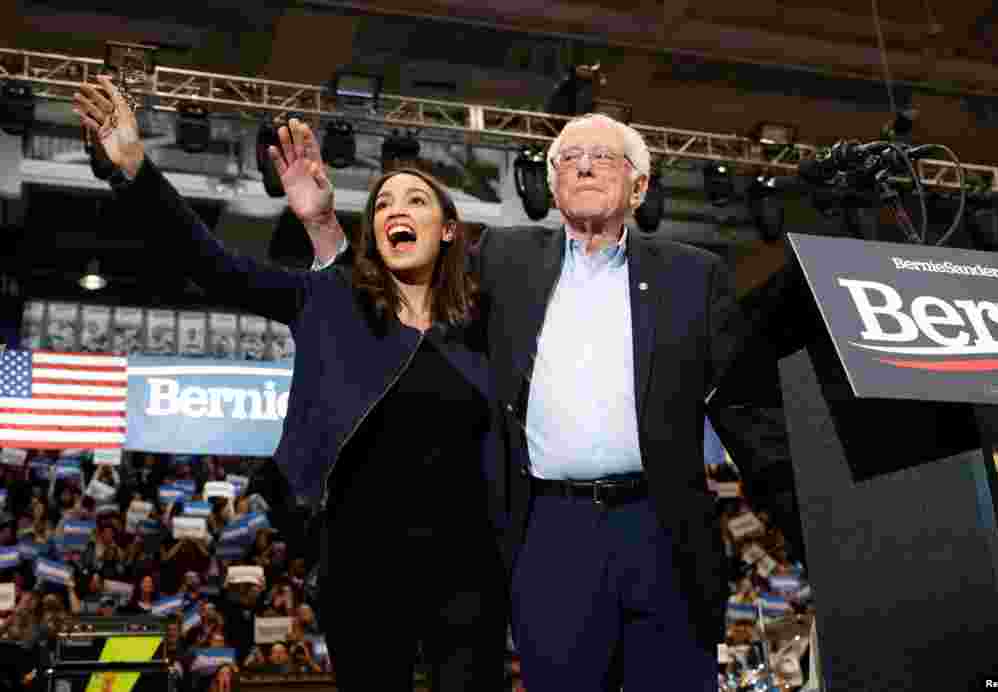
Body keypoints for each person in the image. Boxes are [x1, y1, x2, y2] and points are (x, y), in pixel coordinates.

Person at [74, 75, 507, 692]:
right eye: (382, 204)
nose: (394, 211)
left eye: (414, 201)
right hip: (364, 565)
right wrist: (136, 170)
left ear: (448, 230)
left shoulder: (486, 326)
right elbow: (212, 266)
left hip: (468, 569)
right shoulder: (331, 301)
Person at [298, 112, 739, 690]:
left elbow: (742, 401)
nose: (582, 164)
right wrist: (324, 225)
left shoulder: (694, 274)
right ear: (552, 185)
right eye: (569, 158)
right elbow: (403, 298)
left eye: (602, 156)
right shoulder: (505, 257)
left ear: (639, 186)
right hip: (551, 530)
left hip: (662, 527)